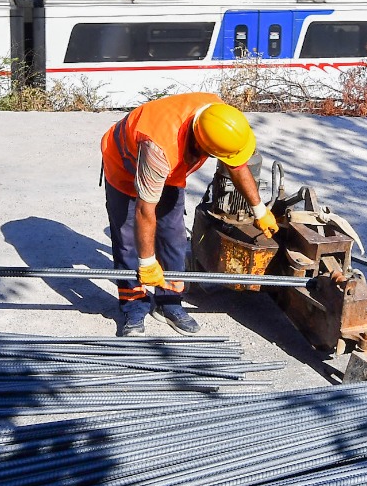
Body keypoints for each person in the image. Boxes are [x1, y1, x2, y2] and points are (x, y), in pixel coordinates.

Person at [100, 93, 278, 335]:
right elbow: (145, 210)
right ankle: (133, 306)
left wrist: (259, 209)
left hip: (169, 166)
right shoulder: (160, 148)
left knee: (173, 235)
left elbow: (236, 165)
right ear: (202, 145)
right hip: (125, 166)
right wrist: (147, 262)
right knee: (128, 240)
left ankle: (169, 302)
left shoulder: (219, 119)